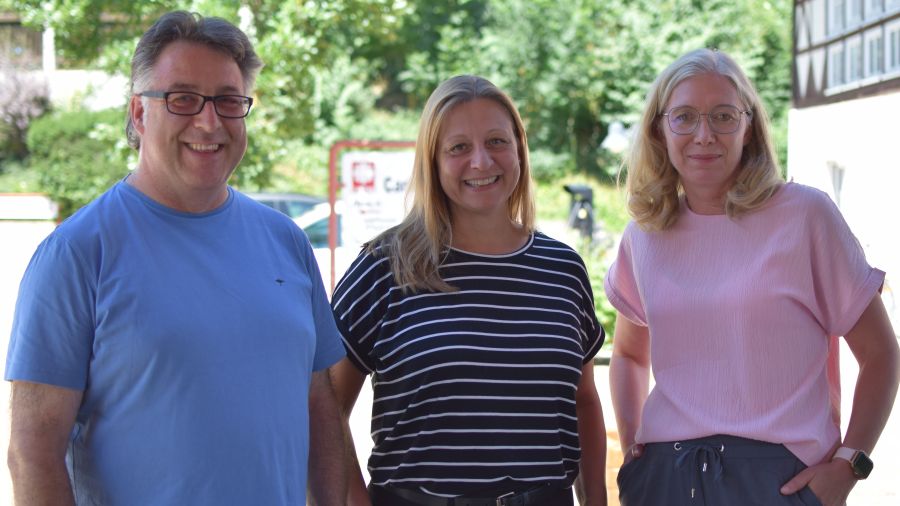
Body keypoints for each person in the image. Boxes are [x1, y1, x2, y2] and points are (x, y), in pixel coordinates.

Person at [5, 11, 347, 505]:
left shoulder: (286, 241)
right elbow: (32, 453)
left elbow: (320, 407)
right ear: (140, 113)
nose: (208, 121)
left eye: (228, 101)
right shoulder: (77, 254)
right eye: (182, 98)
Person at [605, 48, 900, 506]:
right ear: (659, 129)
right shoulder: (644, 235)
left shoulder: (805, 215)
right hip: (665, 477)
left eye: (723, 116)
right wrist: (632, 451)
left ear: (749, 126)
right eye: (684, 117)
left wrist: (848, 465)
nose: (704, 135)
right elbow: (626, 353)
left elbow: (881, 354)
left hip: (780, 481)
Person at [328, 75, 607, 506]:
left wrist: (596, 499)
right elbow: (324, 407)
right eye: (458, 147)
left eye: (497, 141)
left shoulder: (562, 269)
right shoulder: (386, 264)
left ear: (519, 148)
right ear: (433, 161)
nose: (481, 161)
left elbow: (584, 401)